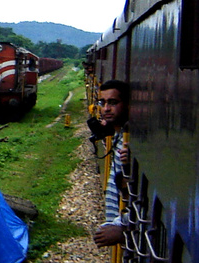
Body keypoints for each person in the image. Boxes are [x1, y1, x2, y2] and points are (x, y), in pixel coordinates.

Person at [92, 80, 130, 248]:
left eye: (113, 103)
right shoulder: (119, 135)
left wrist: (126, 230)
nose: (106, 108)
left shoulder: (127, 146)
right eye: (103, 103)